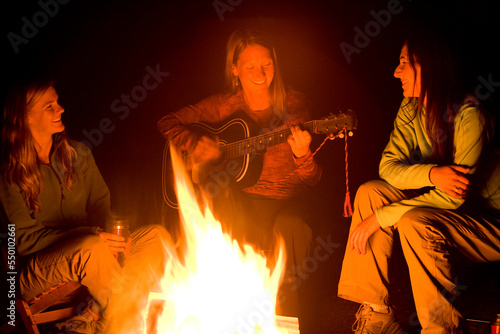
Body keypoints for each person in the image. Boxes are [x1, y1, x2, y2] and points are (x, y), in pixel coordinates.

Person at [337, 31, 500, 333]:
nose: (396, 72)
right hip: (448, 209)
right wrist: (431, 174)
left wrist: (381, 219)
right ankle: (377, 316)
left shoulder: (469, 116)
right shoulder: (410, 109)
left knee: (414, 221)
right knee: (370, 193)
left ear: (430, 67)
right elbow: (387, 166)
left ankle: (442, 330)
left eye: (404, 64)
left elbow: (454, 198)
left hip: (489, 222)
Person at [157, 28, 323, 317]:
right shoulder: (223, 106)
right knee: (216, 206)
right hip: (240, 201)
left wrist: (302, 155)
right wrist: (194, 143)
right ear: (235, 69)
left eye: (267, 63)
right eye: (250, 66)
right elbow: (167, 121)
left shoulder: (296, 105)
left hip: (286, 202)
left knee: (291, 226)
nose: (260, 72)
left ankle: (287, 321)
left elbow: (313, 179)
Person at [0, 77, 170, 334]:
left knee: (155, 237)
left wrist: (114, 238)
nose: (61, 109)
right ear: (26, 117)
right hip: (36, 270)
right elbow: (22, 240)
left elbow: (101, 205)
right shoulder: (9, 173)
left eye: (57, 102)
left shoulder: (77, 154)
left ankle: (91, 318)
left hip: (94, 254)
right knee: (91, 248)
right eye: (49, 106)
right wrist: (91, 235)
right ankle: (128, 324)